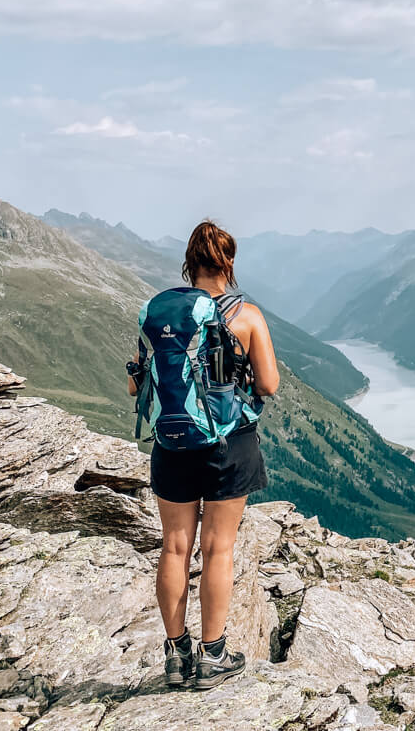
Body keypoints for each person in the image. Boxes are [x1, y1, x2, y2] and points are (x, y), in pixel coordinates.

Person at [126, 219, 280, 690]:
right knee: (218, 549)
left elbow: (137, 383)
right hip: (227, 447)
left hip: (171, 446)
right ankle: (213, 656)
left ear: (188, 265)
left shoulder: (160, 313)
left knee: (174, 547)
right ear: (228, 264)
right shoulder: (246, 315)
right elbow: (269, 384)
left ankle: (176, 657)